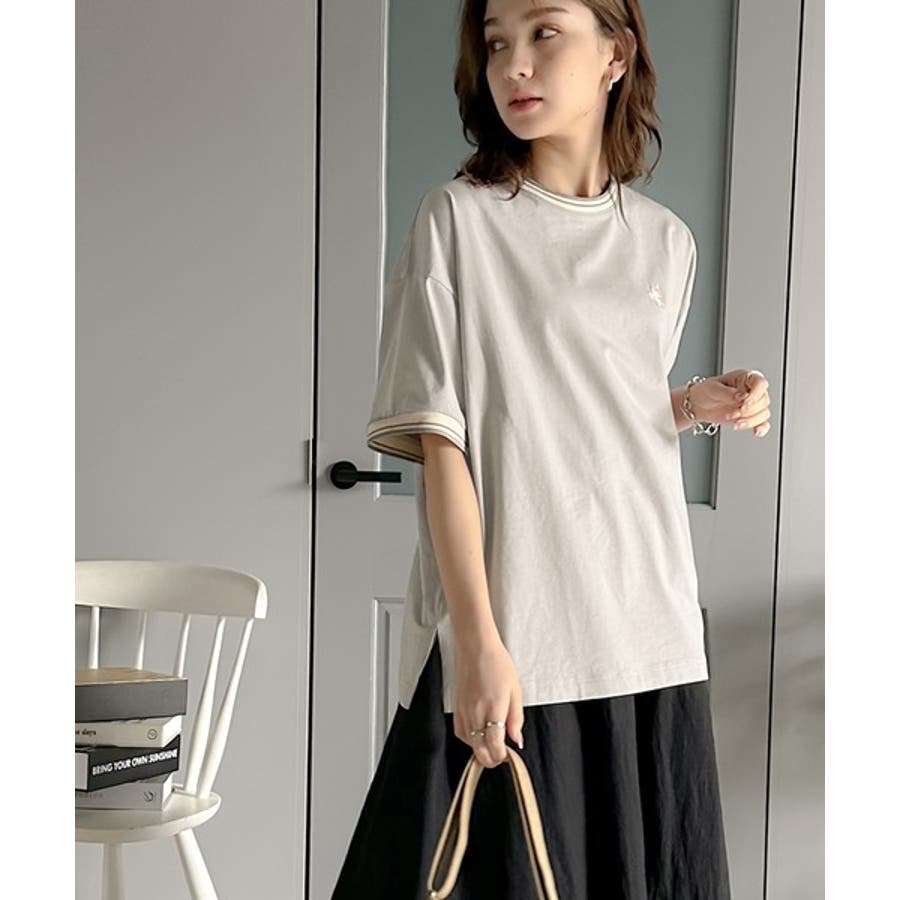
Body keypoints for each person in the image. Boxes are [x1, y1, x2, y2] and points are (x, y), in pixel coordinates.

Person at [333, 1, 771, 897]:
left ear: (616, 53)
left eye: (544, 34)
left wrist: (692, 403)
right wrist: (479, 643)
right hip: (519, 627)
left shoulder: (666, 244)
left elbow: (581, 417)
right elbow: (446, 443)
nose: (514, 65)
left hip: (646, 624)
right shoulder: (458, 222)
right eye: (497, 43)